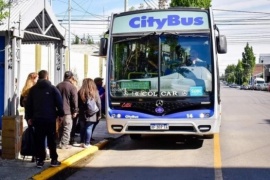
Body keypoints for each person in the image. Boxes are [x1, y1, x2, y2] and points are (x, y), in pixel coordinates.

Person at [25, 70, 64, 168]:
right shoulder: (52, 89)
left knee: (39, 140)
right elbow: (59, 103)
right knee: (51, 140)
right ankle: (54, 159)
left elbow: (28, 105)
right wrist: (61, 115)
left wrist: (29, 117)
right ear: (47, 77)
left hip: (37, 119)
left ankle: (40, 160)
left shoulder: (33, 90)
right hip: (50, 119)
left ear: (39, 77)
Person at [56, 71, 78, 149]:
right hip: (68, 111)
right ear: (71, 77)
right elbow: (74, 100)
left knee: (60, 128)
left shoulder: (58, 86)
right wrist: (75, 110)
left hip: (59, 111)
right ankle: (64, 144)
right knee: (67, 127)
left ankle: (60, 142)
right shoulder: (72, 87)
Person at [78, 78, 101, 148]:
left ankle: (82, 142)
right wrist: (99, 114)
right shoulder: (95, 92)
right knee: (89, 128)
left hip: (82, 113)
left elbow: (77, 103)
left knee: (82, 128)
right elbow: (99, 103)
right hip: (92, 114)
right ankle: (87, 143)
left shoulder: (80, 92)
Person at [20, 72, 38, 162]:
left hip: (28, 116)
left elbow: (21, 104)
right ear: (34, 79)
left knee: (31, 134)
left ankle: (32, 154)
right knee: (37, 135)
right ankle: (36, 154)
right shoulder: (35, 90)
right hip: (35, 115)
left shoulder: (24, 90)